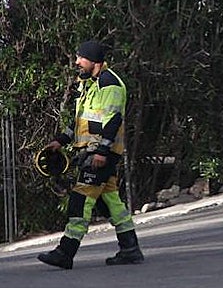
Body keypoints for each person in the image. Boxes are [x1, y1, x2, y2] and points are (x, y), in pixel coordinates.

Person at [37, 40, 144, 269]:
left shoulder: (109, 83)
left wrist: (102, 151)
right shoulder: (87, 84)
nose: (76, 62)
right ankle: (130, 249)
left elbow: (113, 119)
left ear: (94, 60)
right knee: (110, 202)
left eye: (80, 57)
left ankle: (65, 252)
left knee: (80, 199)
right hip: (91, 151)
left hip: (100, 153)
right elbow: (80, 122)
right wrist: (60, 141)